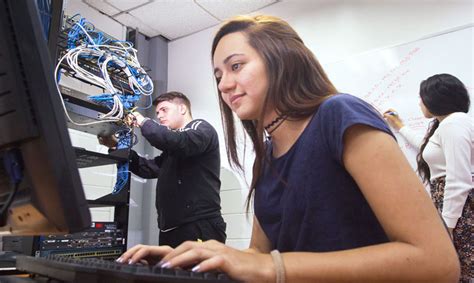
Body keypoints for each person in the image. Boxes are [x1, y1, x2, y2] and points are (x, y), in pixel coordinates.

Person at [117, 16, 461, 282]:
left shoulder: (339, 115)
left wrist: (269, 267)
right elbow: (258, 257)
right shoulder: (265, 162)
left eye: (236, 66)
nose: (224, 84)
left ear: (281, 59)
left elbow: (438, 263)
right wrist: (195, 259)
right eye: (218, 75)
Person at [99, 91, 226, 248]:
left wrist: (143, 121)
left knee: (196, 273)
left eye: (164, 110)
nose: (159, 116)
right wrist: (116, 146)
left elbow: (178, 142)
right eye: (157, 112)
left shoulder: (200, 128)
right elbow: (149, 168)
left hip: (198, 226)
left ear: (182, 109)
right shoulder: (174, 148)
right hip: (171, 229)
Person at [383, 74, 473, 282]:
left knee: (462, 269)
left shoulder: (453, 124)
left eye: (421, 97)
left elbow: (459, 178)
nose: (419, 102)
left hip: (460, 209)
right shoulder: (445, 125)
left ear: (436, 98)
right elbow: (425, 147)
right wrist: (400, 126)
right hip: (455, 206)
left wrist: (448, 226)